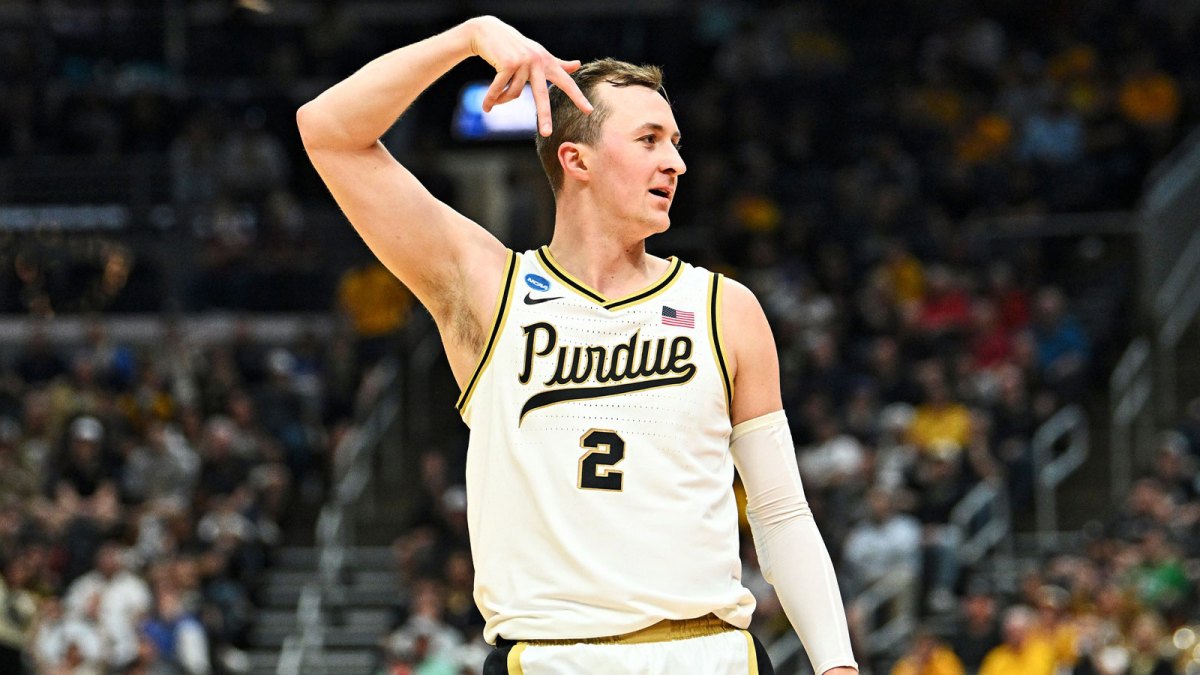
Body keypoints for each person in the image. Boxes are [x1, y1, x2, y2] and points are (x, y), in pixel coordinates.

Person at [298, 15, 857, 674]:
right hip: (548, 657)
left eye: (674, 141)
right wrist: (468, 37)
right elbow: (328, 132)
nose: (675, 161)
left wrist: (836, 664)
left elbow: (780, 509)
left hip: (708, 653)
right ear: (577, 159)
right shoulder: (489, 290)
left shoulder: (724, 308)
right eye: (649, 139)